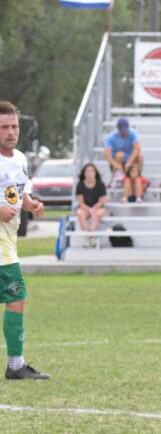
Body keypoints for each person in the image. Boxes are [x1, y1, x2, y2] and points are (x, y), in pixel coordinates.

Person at [0, 101, 48, 379]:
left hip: (8, 242)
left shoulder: (19, 158)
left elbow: (21, 195)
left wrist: (32, 205)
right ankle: (16, 365)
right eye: (4, 127)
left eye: (14, 126)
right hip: (3, 249)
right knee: (17, 295)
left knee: (15, 296)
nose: (11, 132)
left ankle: (16, 364)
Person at [74, 163, 107, 246]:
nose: (89, 174)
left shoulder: (100, 184)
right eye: (87, 172)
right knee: (79, 213)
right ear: (84, 173)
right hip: (85, 208)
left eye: (91, 171)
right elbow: (81, 202)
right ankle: (90, 238)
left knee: (96, 214)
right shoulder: (80, 185)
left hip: (98, 208)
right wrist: (89, 210)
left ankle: (89, 238)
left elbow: (101, 201)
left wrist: (93, 209)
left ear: (95, 173)